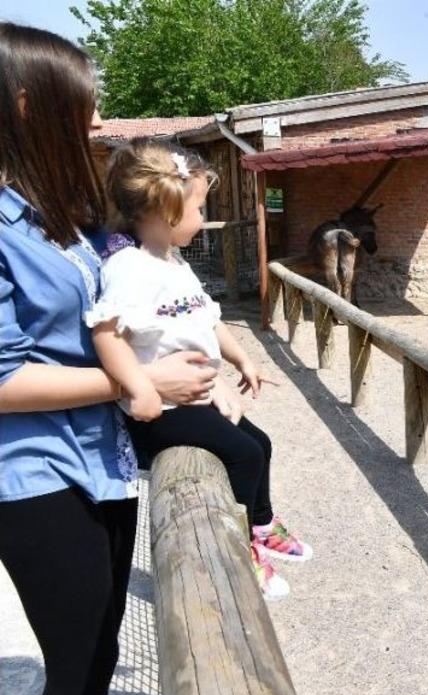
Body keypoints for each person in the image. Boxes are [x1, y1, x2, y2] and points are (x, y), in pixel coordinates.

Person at [0, 23, 216, 695]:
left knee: (96, 657)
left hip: (95, 461)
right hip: (33, 475)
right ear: (29, 105)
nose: (93, 125)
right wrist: (136, 382)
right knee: (81, 665)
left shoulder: (51, 216)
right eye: (83, 109)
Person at [88, 139, 313, 602]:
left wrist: (241, 360)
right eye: (198, 208)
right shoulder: (128, 268)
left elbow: (208, 319)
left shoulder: (173, 263)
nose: (202, 218)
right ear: (168, 211)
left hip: (195, 394)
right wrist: (138, 389)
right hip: (164, 407)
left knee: (260, 443)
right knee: (243, 454)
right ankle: (244, 544)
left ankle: (262, 522)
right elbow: (106, 334)